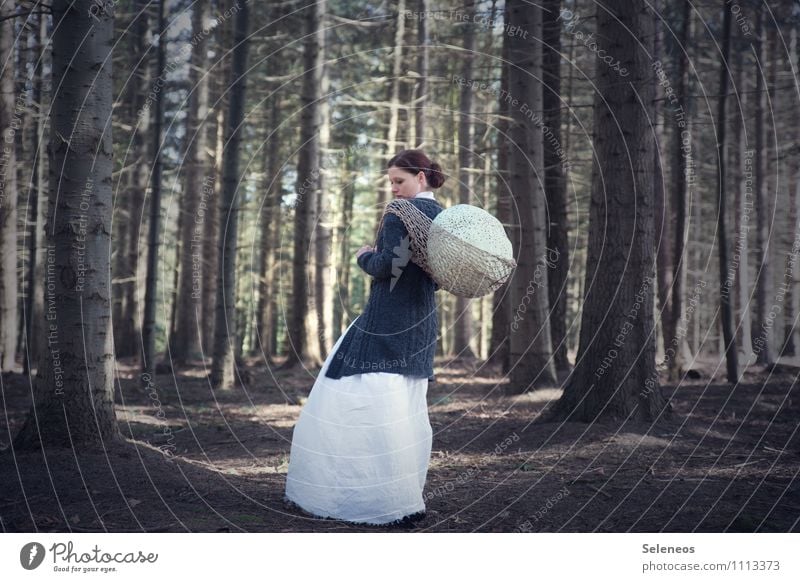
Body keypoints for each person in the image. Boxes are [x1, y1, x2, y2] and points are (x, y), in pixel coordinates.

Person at [283, 149, 446, 527]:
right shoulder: (445, 218)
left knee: (357, 403)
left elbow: (390, 266)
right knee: (405, 410)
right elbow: (438, 276)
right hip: (421, 322)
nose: (394, 188)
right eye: (390, 182)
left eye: (400, 180)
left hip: (386, 320)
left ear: (421, 177)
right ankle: (402, 499)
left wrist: (364, 256)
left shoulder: (400, 213)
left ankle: (363, 501)